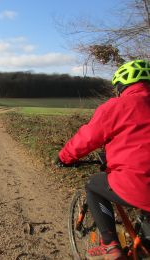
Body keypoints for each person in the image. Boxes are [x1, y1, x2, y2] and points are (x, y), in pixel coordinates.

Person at [56, 60, 150, 260]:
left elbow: (87, 138)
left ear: (120, 87)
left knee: (93, 185)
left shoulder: (118, 106)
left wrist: (64, 158)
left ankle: (110, 246)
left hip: (139, 184)